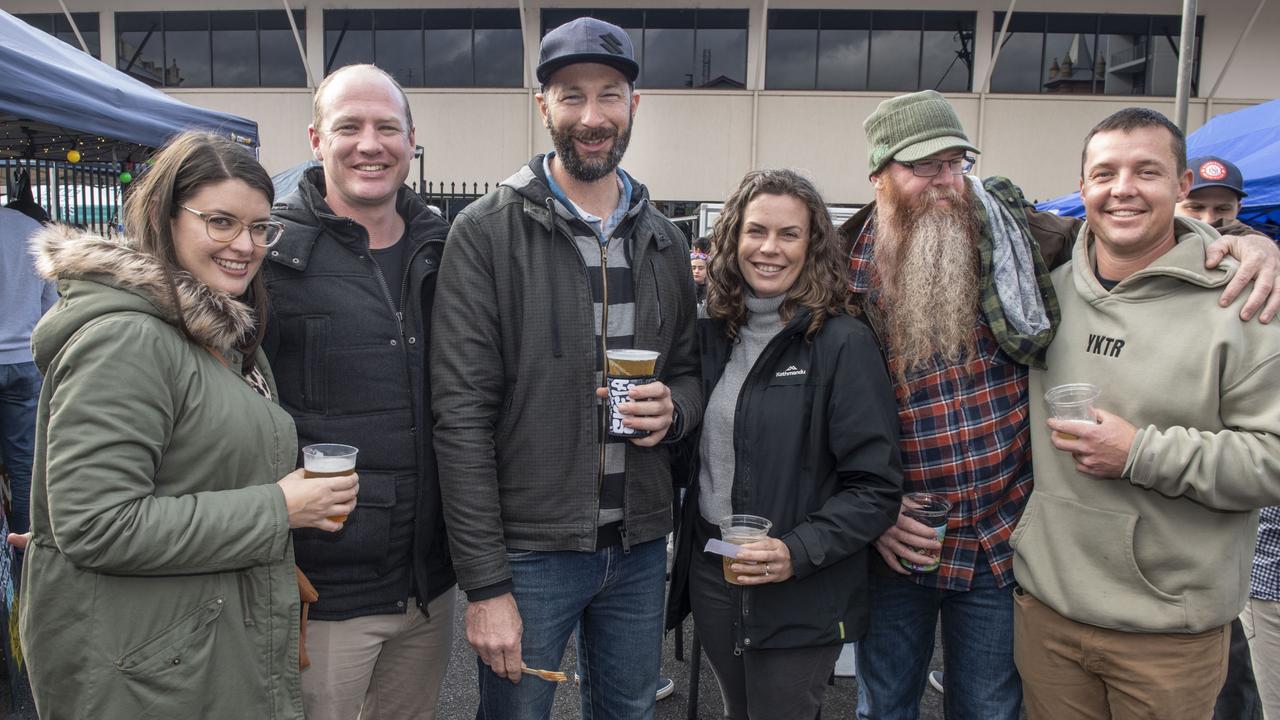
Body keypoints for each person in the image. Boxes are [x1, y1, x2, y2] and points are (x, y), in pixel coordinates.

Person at [841, 90, 1280, 720]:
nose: (941, 181)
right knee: (884, 706)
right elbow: (815, 411)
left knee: (990, 708)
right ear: (881, 176)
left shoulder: (1028, 240)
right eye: (920, 167)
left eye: (953, 163)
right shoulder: (837, 272)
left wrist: (1246, 242)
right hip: (899, 539)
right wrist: (873, 510)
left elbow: (1130, 229)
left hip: (1003, 540)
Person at [18, 131, 358, 719]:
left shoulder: (213, 332)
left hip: (187, 646)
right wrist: (279, 508)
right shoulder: (129, 339)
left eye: (259, 228)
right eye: (220, 222)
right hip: (148, 668)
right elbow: (98, 524)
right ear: (164, 217)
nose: (245, 245)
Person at [431, 16, 702, 719]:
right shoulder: (486, 232)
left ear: (633, 106)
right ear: (542, 103)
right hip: (530, 554)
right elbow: (459, 417)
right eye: (571, 95)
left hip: (640, 547)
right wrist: (486, 587)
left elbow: (692, 374)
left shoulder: (665, 239)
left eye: (609, 95)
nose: (592, 116)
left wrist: (676, 409)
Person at [1011, 106, 1280, 720]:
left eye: (1147, 171)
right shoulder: (1040, 289)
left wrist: (1140, 454)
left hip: (1169, 634)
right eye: (1104, 173)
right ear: (1082, 188)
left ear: (1182, 187)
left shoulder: (1245, 302)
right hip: (1046, 615)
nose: (1123, 189)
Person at [665, 168, 902, 719]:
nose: (769, 249)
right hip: (716, 574)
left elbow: (875, 487)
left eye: (789, 234)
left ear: (813, 245)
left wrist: (795, 551)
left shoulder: (842, 341)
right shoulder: (712, 332)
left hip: (802, 586)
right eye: (756, 231)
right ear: (733, 240)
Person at [263, 63, 456, 720]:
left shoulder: (445, 251)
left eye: (387, 128)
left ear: (411, 141)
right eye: (350, 127)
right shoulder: (269, 258)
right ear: (317, 140)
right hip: (325, 592)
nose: (369, 144)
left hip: (427, 586)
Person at [0, 206, 55, 553]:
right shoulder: (30, 229)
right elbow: (53, 306)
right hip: (24, 359)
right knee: (25, 465)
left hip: (23, 358)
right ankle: (26, 550)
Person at [1179, 155, 1249, 228]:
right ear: (1171, 204)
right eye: (1195, 207)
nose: (1208, 220)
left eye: (1223, 209)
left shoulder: (1252, 238)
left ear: (1238, 209)